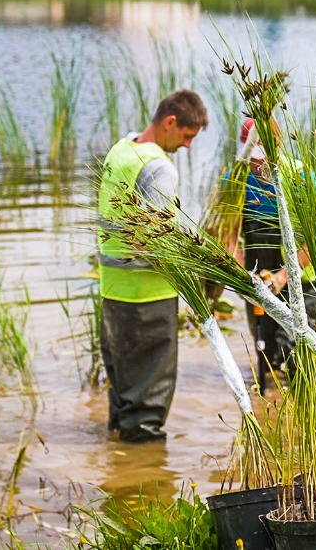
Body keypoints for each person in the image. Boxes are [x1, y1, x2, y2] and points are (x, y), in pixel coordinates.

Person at [96, 90, 209, 442]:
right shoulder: (158, 167)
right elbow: (161, 238)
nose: (188, 146)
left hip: (113, 290)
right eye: (187, 136)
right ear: (170, 122)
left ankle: (118, 471)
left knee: (124, 391)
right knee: (146, 406)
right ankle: (143, 482)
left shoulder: (121, 150)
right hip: (148, 296)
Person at [237, 118, 316, 384]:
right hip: (258, 279)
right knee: (266, 352)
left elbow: (315, 241)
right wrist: (241, 275)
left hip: (300, 280)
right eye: (252, 157)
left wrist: (284, 277)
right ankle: (270, 413)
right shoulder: (236, 180)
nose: (256, 165)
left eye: (262, 157)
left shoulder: (300, 178)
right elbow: (226, 236)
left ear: (278, 146)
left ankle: (302, 410)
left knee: (295, 352)